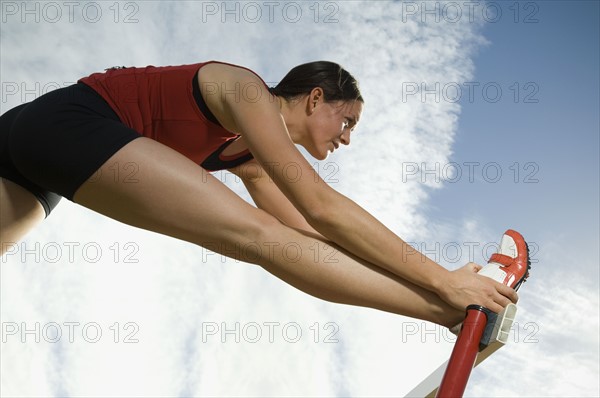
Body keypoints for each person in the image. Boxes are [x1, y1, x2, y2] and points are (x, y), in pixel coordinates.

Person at [0, 60, 519, 328]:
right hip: (68, 122)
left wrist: (434, 282)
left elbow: (308, 239)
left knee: (276, 242)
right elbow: (321, 206)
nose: (348, 137)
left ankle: (442, 307)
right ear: (316, 97)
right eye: (348, 120)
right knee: (257, 237)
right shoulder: (245, 90)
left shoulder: (246, 159)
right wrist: (442, 288)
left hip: (29, 149)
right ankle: (442, 313)